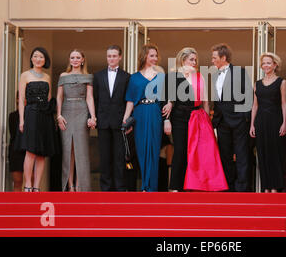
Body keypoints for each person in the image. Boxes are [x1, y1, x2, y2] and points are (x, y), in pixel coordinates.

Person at [164, 47, 228, 192]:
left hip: (196, 117)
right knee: (180, 150)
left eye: (195, 60)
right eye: (191, 59)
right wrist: (166, 119)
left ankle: (191, 186)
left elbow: (205, 103)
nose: (194, 62)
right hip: (178, 117)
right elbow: (167, 100)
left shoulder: (200, 77)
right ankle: (175, 186)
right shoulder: (172, 76)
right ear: (183, 59)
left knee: (194, 152)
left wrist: (208, 125)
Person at [124, 44, 166, 192]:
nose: (155, 58)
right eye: (151, 55)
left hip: (155, 112)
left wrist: (168, 115)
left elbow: (166, 100)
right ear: (144, 56)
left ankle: (151, 188)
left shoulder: (161, 76)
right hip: (140, 113)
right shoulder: (134, 78)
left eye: (156, 56)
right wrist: (125, 120)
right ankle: (144, 185)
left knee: (154, 150)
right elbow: (130, 100)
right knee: (141, 150)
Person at [211, 43, 252, 192]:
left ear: (223, 57)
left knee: (241, 154)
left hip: (239, 120)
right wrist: (214, 122)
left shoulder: (240, 72)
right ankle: (228, 186)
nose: (212, 60)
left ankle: (242, 188)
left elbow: (248, 95)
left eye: (214, 57)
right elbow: (218, 101)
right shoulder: (215, 75)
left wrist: (245, 118)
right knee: (225, 155)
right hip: (222, 122)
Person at [16, 47, 58, 192]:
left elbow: (49, 98)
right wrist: (22, 120)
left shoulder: (47, 77)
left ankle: (36, 187)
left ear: (45, 59)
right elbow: (21, 100)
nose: (38, 59)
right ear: (32, 59)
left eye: (41, 57)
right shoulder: (25, 75)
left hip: (45, 116)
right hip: (31, 114)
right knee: (31, 151)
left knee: (42, 153)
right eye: (35, 56)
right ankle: (27, 185)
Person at [93, 45, 132, 191]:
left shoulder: (126, 77)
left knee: (119, 157)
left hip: (120, 121)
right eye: (109, 56)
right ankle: (106, 189)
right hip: (103, 122)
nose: (111, 58)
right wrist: (95, 118)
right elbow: (95, 99)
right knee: (104, 157)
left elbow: (128, 100)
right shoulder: (98, 76)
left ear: (120, 57)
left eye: (114, 56)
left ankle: (120, 188)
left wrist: (127, 121)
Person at [56, 49, 96, 192]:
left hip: (82, 111)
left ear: (83, 59)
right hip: (66, 112)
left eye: (78, 57)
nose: (75, 60)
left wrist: (93, 116)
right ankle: (70, 185)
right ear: (69, 60)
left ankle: (81, 186)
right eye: (72, 57)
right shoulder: (63, 75)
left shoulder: (88, 76)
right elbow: (59, 97)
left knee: (81, 149)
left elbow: (89, 97)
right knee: (68, 149)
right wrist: (59, 115)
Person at [250, 52, 286, 192]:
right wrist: (252, 124)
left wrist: (284, 123)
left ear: (275, 65)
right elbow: (255, 105)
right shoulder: (257, 84)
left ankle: (275, 187)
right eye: (263, 63)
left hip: (275, 120)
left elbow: (284, 104)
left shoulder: (282, 82)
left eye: (268, 63)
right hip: (260, 121)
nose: (265, 65)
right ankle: (266, 187)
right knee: (262, 153)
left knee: (275, 154)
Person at [8, 91, 25, 191]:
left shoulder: (32, 116)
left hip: (29, 150)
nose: (24, 100)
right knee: (17, 181)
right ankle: (17, 206)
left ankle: (31, 205)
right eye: (21, 97)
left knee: (31, 181)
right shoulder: (13, 116)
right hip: (16, 151)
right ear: (17, 99)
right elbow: (14, 134)